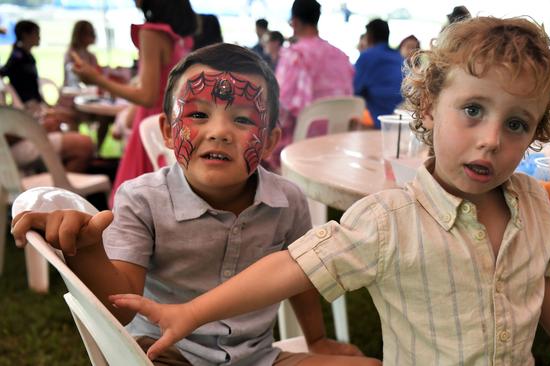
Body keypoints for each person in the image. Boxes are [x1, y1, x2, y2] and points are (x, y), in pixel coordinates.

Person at [106, 16, 550, 365]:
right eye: (473, 110)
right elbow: (292, 266)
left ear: (536, 132)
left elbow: (539, 271)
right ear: (431, 108)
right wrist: (191, 313)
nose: (492, 139)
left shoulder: (535, 204)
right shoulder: (389, 219)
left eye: (516, 123)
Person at [12, 43, 380, 366]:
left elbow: (300, 277)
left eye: (242, 119)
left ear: (269, 142)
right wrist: (88, 250)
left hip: (257, 357)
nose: (219, 131)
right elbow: (118, 308)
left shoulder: (288, 201)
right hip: (165, 352)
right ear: (170, 132)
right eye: (199, 114)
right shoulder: (142, 198)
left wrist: (315, 339)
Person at [70, 0, 197, 206]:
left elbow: (147, 96)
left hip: (151, 121)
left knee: (136, 202)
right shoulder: (180, 38)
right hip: (174, 121)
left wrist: (96, 79)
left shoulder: (152, 34)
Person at [266, 0, 354, 171]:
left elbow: (280, 107)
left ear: (295, 23)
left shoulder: (295, 55)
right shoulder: (340, 56)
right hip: (337, 147)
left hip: (299, 150)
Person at [1, 20, 94, 173]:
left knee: (67, 124)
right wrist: (40, 125)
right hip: (22, 132)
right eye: (36, 33)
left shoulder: (25, 56)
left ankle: (55, 177)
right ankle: (61, 188)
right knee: (81, 140)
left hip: (27, 121)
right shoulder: (18, 57)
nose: (39, 37)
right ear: (26, 35)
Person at [354, 18, 403, 128]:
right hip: (400, 117)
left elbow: (354, 90)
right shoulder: (399, 57)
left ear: (369, 37)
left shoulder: (367, 57)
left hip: (378, 119)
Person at [64, 20, 99, 88]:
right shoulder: (72, 54)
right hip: (73, 91)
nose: (92, 36)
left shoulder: (91, 56)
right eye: (89, 33)